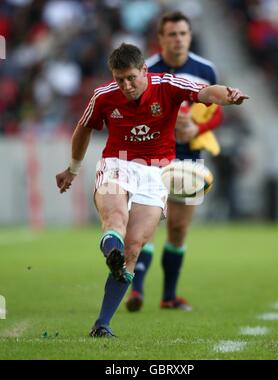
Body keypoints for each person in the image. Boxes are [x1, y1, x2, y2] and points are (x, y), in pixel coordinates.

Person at [55, 43, 248, 338]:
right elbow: (83, 128)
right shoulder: (103, 96)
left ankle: (102, 324)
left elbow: (206, 92)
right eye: (120, 79)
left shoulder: (168, 84)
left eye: (131, 77)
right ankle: (112, 254)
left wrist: (229, 96)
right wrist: (73, 168)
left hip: (157, 171)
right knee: (115, 219)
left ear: (145, 70)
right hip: (117, 164)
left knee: (133, 247)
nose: (126, 85)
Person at [126, 12, 223, 312]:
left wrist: (198, 128)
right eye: (172, 34)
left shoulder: (205, 69)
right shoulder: (147, 70)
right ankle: (136, 291)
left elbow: (216, 109)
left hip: (189, 155)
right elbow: (133, 110)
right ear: (161, 38)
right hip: (152, 154)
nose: (178, 39)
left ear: (190, 36)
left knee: (179, 228)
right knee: (146, 224)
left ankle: (168, 296)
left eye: (183, 33)